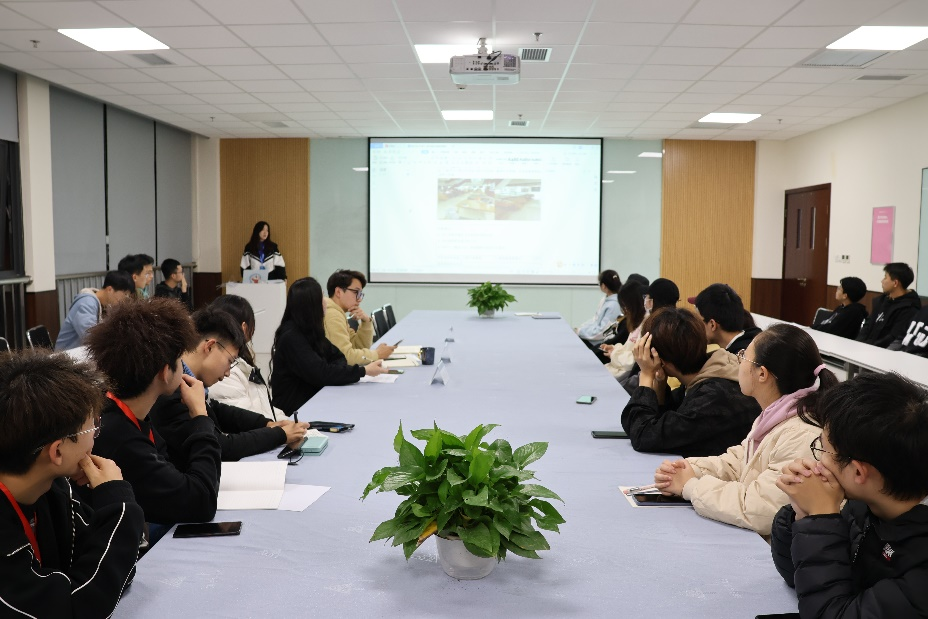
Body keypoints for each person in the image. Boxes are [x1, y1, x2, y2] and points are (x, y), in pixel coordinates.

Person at [652, 323, 836, 536]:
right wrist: (691, 469)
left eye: (743, 357)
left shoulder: (802, 434)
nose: (738, 362)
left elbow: (760, 509)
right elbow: (739, 462)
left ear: (762, 374)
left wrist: (691, 487)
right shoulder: (776, 415)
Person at [0, 350, 145, 617]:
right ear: (57, 451)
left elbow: (117, 571)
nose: (95, 437)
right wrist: (119, 505)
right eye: (93, 427)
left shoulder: (52, 488)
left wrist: (110, 507)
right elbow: (76, 609)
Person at [770, 372, 928, 617]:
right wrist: (803, 517)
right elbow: (800, 580)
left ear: (858, 472)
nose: (817, 461)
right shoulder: (865, 506)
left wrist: (820, 518)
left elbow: (830, 612)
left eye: (823, 449)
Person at [86, 297, 221, 531]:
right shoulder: (120, 437)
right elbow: (201, 502)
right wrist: (201, 416)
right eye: (179, 360)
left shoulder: (122, 411)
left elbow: (176, 476)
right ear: (165, 373)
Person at [149, 305, 307, 467]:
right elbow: (220, 446)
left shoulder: (187, 382)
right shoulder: (171, 391)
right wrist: (279, 435)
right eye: (230, 361)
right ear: (210, 347)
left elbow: (217, 410)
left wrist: (267, 424)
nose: (228, 373)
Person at [621, 307, 761, 458]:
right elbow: (666, 419)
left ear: (659, 359)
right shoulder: (713, 370)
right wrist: (660, 382)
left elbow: (643, 435)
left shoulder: (713, 396)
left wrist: (646, 375)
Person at [271, 277, 387, 415]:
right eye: (321, 299)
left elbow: (338, 356)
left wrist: (332, 370)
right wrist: (363, 371)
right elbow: (321, 373)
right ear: (312, 305)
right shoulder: (292, 337)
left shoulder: (310, 329)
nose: (325, 303)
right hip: (297, 410)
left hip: (315, 398)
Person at [207, 294, 286, 420]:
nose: (226, 373)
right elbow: (245, 419)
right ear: (243, 328)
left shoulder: (238, 363)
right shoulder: (226, 371)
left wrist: (286, 422)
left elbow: (263, 408)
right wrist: (280, 426)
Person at [606, 277, 680, 383]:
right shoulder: (674, 322)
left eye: (647, 297)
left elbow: (636, 361)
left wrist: (614, 353)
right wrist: (615, 350)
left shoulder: (652, 326)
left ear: (652, 301)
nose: (645, 300)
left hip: (645, 378)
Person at [325, 269, 395, 364]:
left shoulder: (337, 312)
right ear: (338, 292)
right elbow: (345, 358)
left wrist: (366, 322)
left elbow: (357, 347)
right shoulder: (332, 315)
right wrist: (377, 354)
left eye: (360, 294)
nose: (359, 299)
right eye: (356, 292)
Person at [54, 270, 134, 351]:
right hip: (66, 355)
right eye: (125, 294)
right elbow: (91, 336)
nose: (125, 299)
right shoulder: (86, 303)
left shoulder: (103, 305)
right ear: (110, 289)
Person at [857, 262, 920, 348]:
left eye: (885, 277)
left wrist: (869, 347)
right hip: (866, 347)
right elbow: (867, 325)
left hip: (881, 351)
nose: (882, 281)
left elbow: (893, 337)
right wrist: (858, 343)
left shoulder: (909, 308)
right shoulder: (882, 300)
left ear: (895, 283)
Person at [691, 283, 762, 353]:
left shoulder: (738, 358)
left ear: (712, 324)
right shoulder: (758, 345)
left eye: (699, 322)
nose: (697, 328)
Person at [600, 281, 646, 374]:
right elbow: (628, 347)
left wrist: (614, 354)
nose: (625, 310)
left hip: (627, 372)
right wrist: (614, 348)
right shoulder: (637, 321)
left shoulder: (645, 324)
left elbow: (633, 361)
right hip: (621, 366)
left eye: (625, 306)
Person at [811, 276, 868, 340]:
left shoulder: (852, 312)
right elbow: (827, 324)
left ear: (845, 296)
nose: (837, 289)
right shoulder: (842, 308)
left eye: (839, 288)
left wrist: (812, 329)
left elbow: (831, 329)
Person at [575, 269, 622, 344]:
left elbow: (603, 331)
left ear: (603, 286)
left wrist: (580, 332)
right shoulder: (606, 299)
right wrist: (581, 329)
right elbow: (595, 320)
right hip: (594, 337)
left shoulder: (614, 305)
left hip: (601, 343)